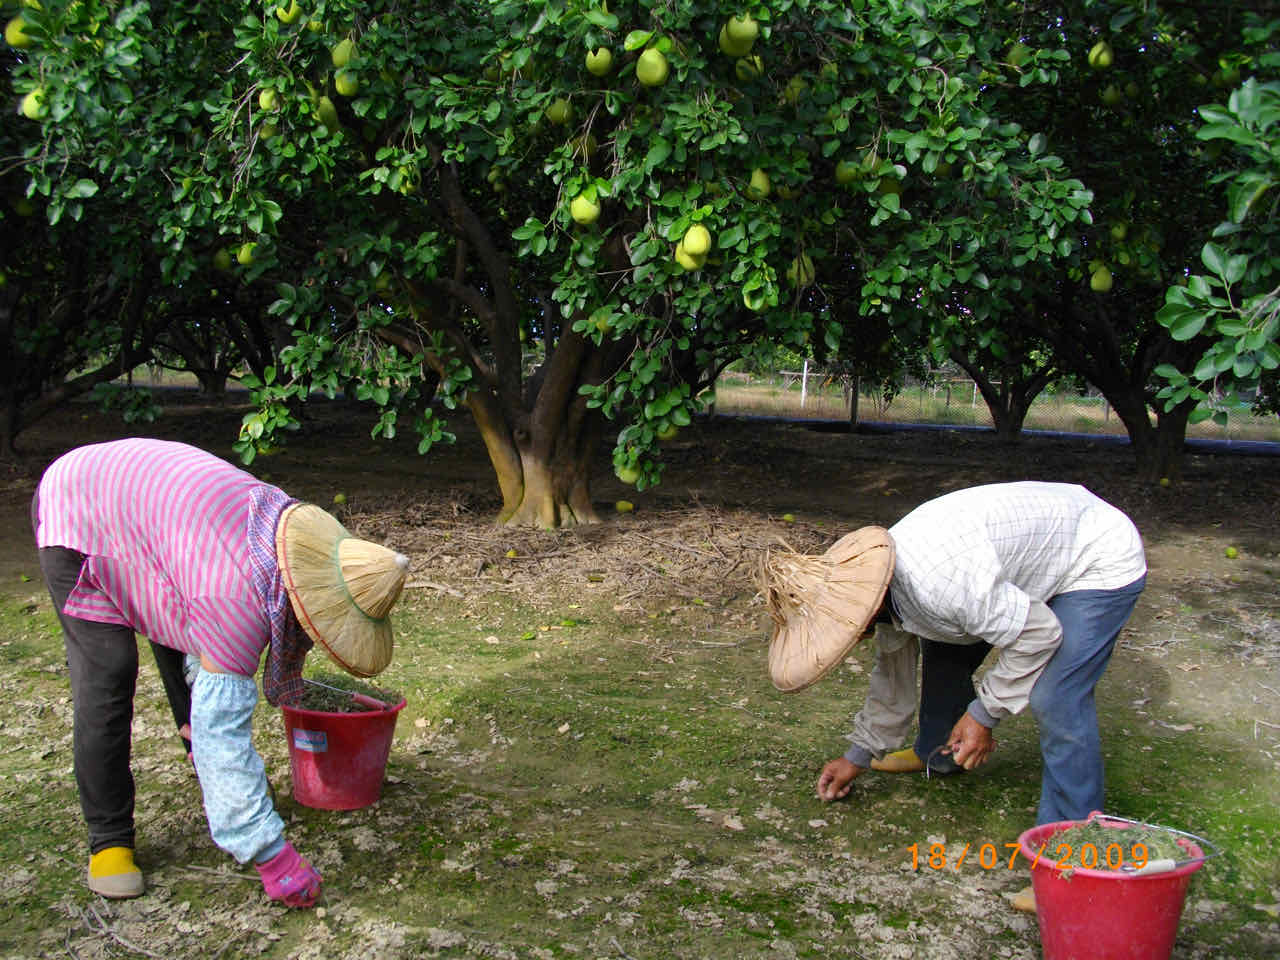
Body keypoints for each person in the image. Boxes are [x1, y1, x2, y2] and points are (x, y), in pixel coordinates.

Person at [33, 438, 411, 907]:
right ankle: (109, 839)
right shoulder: (236, 601)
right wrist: (273, 857)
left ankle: (193, 749)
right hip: (80, 502)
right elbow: (224, 736)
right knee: (109, 673)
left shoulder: (286, 533)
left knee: (185, 638)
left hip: (159, 521)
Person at [760, 481, 1146, 913]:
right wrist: (859, 754)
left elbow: (1040, 633)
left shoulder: (938, 587)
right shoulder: (883, 587)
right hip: (1028, 556)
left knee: (1057, 697)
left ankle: (1073, 859)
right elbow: (891, 673)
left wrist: (984, 714)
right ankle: (938, 752)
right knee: (942, 644)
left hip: (1096, 556)